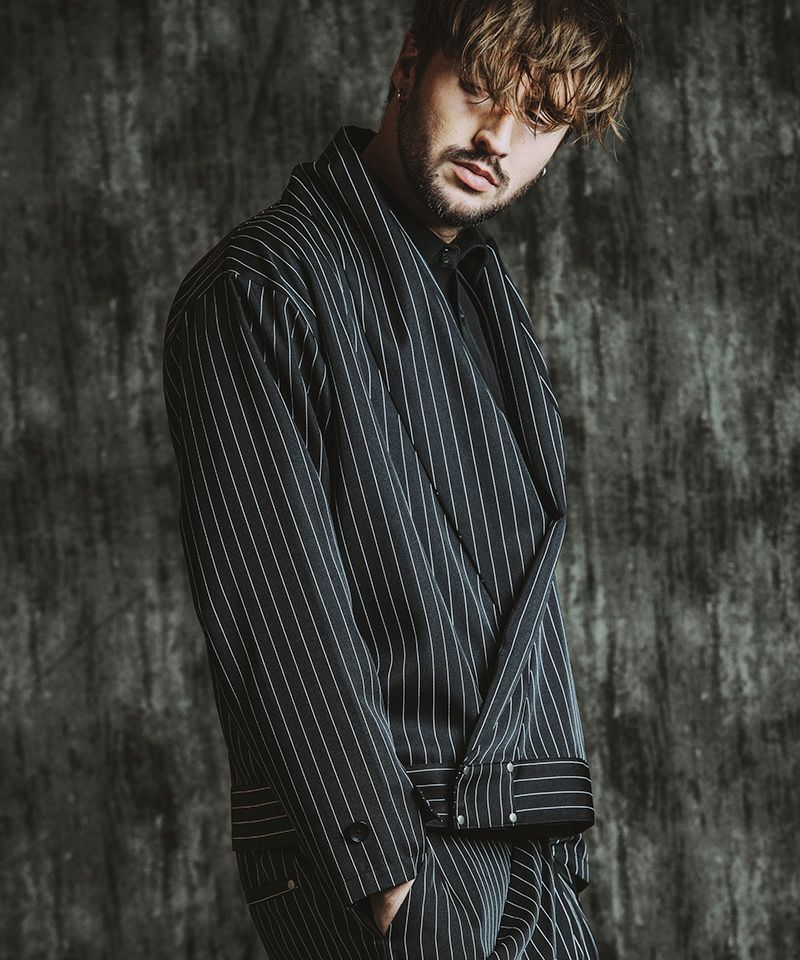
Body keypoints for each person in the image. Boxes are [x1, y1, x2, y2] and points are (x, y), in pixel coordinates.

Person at [162, 1, 636, 957]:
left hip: (521, 840)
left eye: (541, 118)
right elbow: (276, 610)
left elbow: (513, 597)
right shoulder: (260, 288)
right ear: (410, 63)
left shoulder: (482, 300)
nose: (499, 138)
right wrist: (390, 882)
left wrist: (552, 846)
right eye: (481, 89)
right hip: (391, 852)